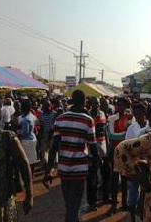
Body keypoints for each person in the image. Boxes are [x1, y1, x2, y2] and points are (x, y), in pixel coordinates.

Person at [43, 90, 98, 222]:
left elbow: (54, 146)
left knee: (70, 204)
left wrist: (48, 169)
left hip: (63, 168)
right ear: (84, 102)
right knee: (73, 205)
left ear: (72, 100)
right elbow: (93, 146)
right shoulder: (88, 120)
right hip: (79, 170)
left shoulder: (60, 119)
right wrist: (95, 165)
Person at [108, 97, 133, 212]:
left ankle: (124, 203)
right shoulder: (112, 118)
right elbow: (112, 136)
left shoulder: (129, 119)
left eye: (123, 104)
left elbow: (132, 135)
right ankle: (113, 203)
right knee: (114, 177)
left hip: (125, 151)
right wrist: (125, 133)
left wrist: (126, 133)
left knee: (124, 178)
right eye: (119, 104)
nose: (120, 106)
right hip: (115, 150)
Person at [87, 97, 110, 210]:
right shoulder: (87, 116)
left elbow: (105, 131)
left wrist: (108, 146)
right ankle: (92, 202)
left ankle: (105, 197)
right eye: (95, 103)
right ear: (90, 104)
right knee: (93, 179)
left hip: (103, 150)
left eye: (98, 103)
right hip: (92, 153)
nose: (97, 105)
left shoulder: (102, 114)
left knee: (106, 175)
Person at [18, 99, 38, 177]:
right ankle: (31, 174)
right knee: (32, 158)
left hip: (26, 140)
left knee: (27, 159)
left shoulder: (26, 119)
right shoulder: (31, 116)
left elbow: (24, 133)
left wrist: (17, 133)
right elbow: (37, 122)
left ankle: (29, 175)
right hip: (32, 138)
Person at [39, 100, 56, 166]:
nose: (46, 107)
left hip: (53, 135)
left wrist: (50, 135)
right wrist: (42, 136)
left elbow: (55, 126)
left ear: (51, 106)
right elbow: (41, 126)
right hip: (45, 134)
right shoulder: (42, 115)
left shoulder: (54, 114)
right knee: (43, 150)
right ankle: (45, 163)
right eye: (45, 106)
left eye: (47, 106)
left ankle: (52, 164)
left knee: (52, 150)